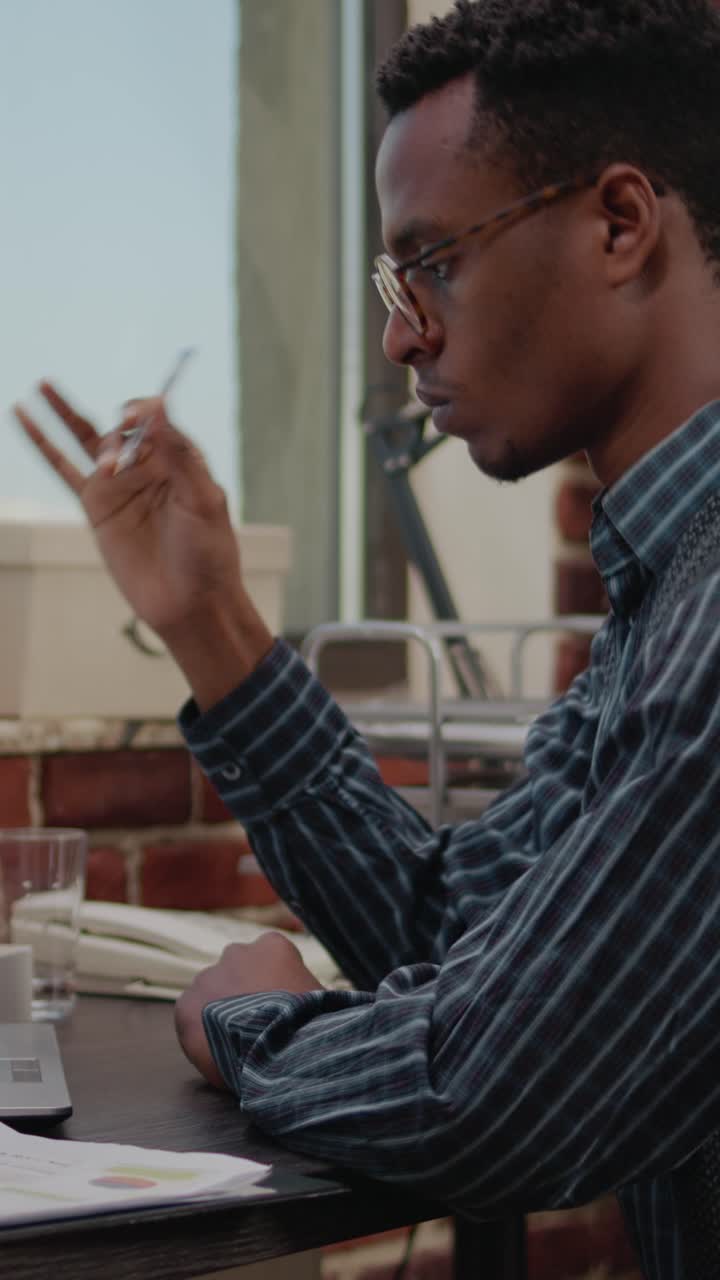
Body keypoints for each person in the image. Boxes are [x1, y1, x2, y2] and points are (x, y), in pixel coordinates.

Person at [13, 2, 720, 1275]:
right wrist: (210, 619)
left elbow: (492, 1090)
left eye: (434, 261)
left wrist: (258, 1024)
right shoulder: (662, 598)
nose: (402, 335)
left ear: (619, 224)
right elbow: (458, 930)